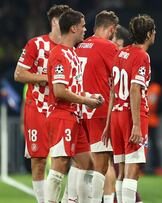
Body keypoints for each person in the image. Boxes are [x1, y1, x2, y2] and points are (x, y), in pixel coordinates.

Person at [13, 5, 70, 203]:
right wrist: (43, 77)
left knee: (64, 160)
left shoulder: (71, 49)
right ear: (55, 21)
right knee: (38, 161)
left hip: (62, 109)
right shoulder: (36, 45)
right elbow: (19, 74)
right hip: (37, 109)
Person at [44, 9, 103, 203]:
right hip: (63, 115)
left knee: (88, 163)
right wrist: (86, 101)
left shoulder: (73, 54)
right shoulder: (59, 54)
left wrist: (90, 96)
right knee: (59, 165)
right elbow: (59, 91)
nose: (86, 29)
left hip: (75, 117)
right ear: (73, 28)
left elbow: (74, 88)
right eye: (83, 25)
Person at [102, 14, 156, 203]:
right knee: (133, 172)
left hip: (116, 115)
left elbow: (112, 91)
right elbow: (134, 89)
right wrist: (136, 125)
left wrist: (108, 123)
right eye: (154, 31)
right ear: (149, 34)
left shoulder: (120, 53)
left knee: (121, 172)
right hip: (132, 116)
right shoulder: (142, 56)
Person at [76, 10, 119, 203]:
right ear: (112, 29)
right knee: (102, 165)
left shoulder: (81, 46)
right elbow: (120, 75)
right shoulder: (107, 46)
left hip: (81, 109)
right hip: (99, 111)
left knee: (83, 165)